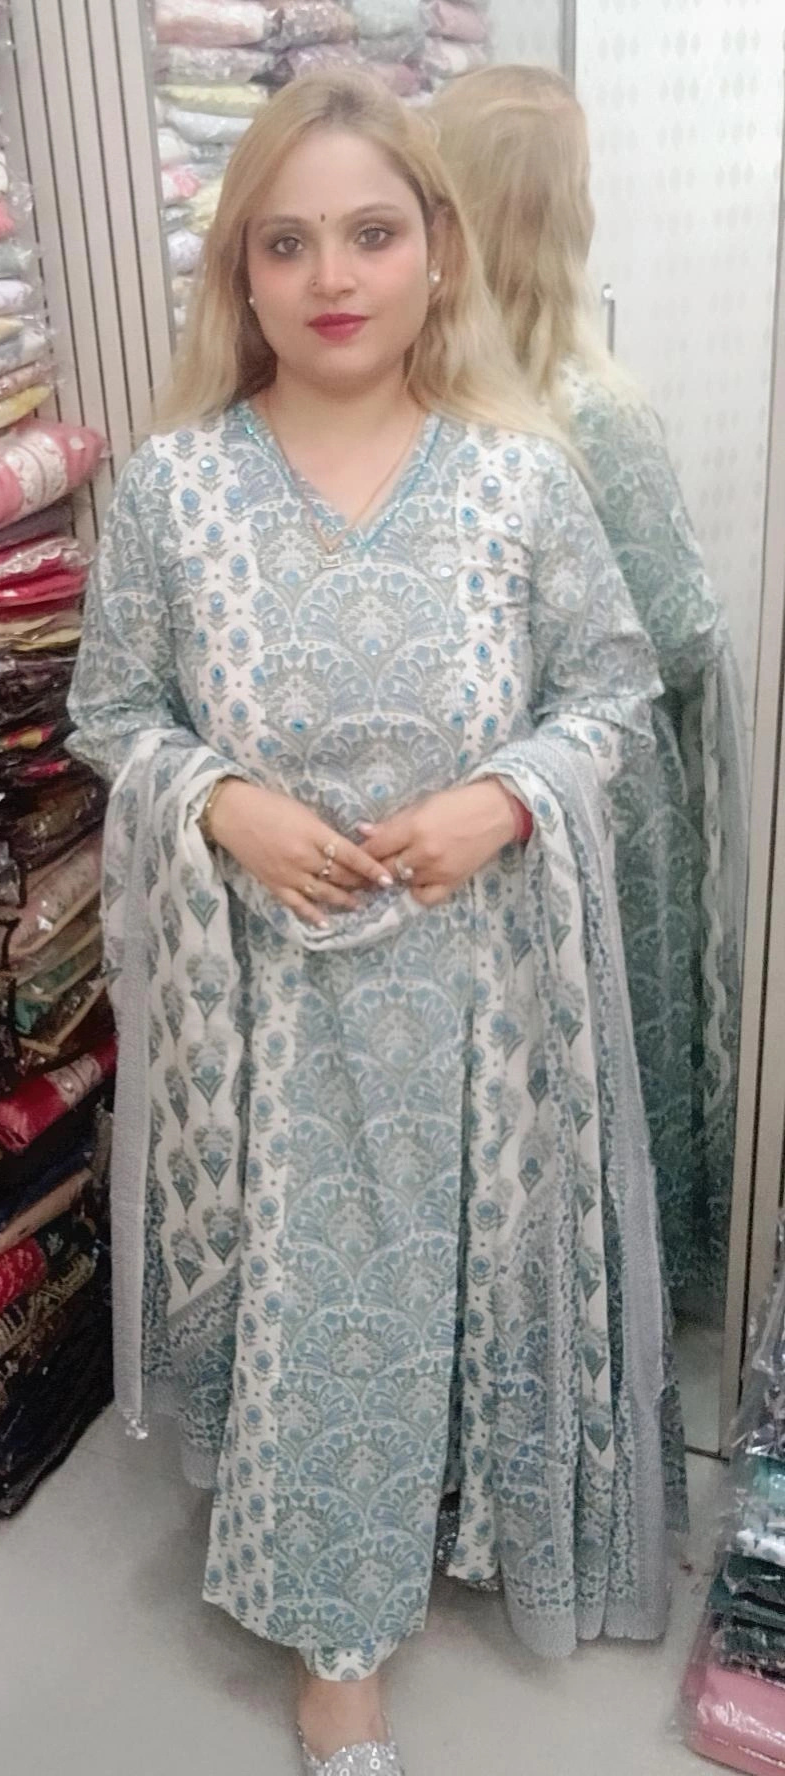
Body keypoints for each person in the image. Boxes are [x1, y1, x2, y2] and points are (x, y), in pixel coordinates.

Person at [67, 70, 681, 1776]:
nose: (331, 276)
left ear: (438, 252)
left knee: (466, 1274)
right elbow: (110, 711)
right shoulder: (177, 492)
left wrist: (507, 799)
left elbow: (615, 685)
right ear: (241, 275)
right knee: (327, 1290)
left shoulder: (519, 483)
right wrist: (219, 799)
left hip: (482, 987)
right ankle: (339, 1628)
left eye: (370, 233)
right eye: (287, 242)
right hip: (267, 998)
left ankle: (462, 1508)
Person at [431, 65, 748, 1320]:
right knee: (608, 1048)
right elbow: (680, 627)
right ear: (562, 210)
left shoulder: (425, 407)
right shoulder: (589, 413)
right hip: (595, 800)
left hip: (463, 797)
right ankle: (616, 1307)